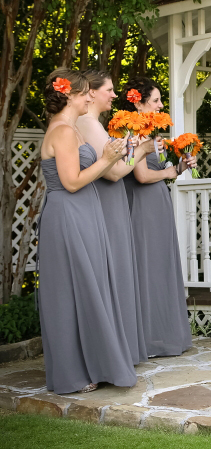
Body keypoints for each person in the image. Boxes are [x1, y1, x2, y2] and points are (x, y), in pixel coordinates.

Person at [37, 68, 136, 394]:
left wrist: (117, 155)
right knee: (71, 290)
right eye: (84, 93)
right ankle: (73, 372)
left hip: (84, 211)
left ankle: (94, 363)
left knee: (89, 286)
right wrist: (106, 158)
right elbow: (71, 182)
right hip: (68, 214)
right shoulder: (63, 132)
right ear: (70, 96)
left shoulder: (71, 129)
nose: (89, 97)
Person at [76, 70, 156, 365]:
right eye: (108, 89)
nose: (113, 94)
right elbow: (114, 172)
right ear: (92, 92)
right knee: (114, 270)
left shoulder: (93, 123)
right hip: (106, 199)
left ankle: (122, 349)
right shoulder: (87, 123)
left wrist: (132, 146)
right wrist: (142, 150)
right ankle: (114, 354)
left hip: (112, 200)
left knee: (119, 270)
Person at [120, 77, 195, 357]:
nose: (161, 105)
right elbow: (141, 175)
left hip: (157, 202)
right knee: (147, 265)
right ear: (138, 102)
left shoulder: (151, 134)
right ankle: (149, 340)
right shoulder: (131, 133)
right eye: (156, 100)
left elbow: (162, 170)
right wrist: (168, 173)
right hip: (141, 205)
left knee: (161, 264)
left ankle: (164, 335)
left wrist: (179, 167)